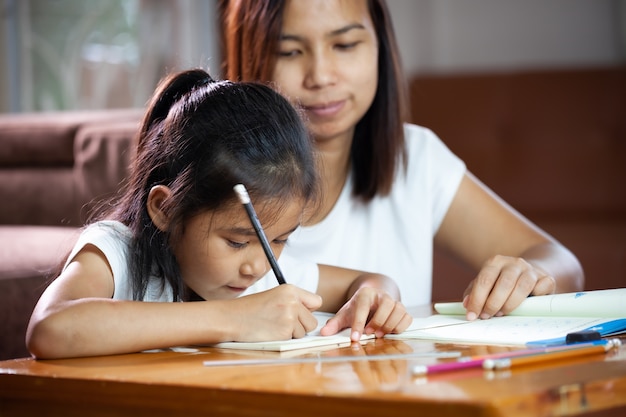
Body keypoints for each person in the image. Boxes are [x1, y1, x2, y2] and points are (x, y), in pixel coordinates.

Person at [220, 0, 584, 319]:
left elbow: (563, 264)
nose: (321, 76)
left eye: (345, 44)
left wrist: (529, 273)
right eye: (290, 52)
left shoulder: (416, 159)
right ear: (248, 54)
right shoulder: (213, 173)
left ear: (379, 45)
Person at [26, 69, 412, 359]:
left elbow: (369, 280)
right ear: (165, 208)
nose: (257, 266)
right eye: (236, 241)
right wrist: (235, 319)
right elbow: (50, 328)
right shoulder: (115, 253)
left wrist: (375, 301)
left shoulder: (260, 278)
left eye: (279, 240)